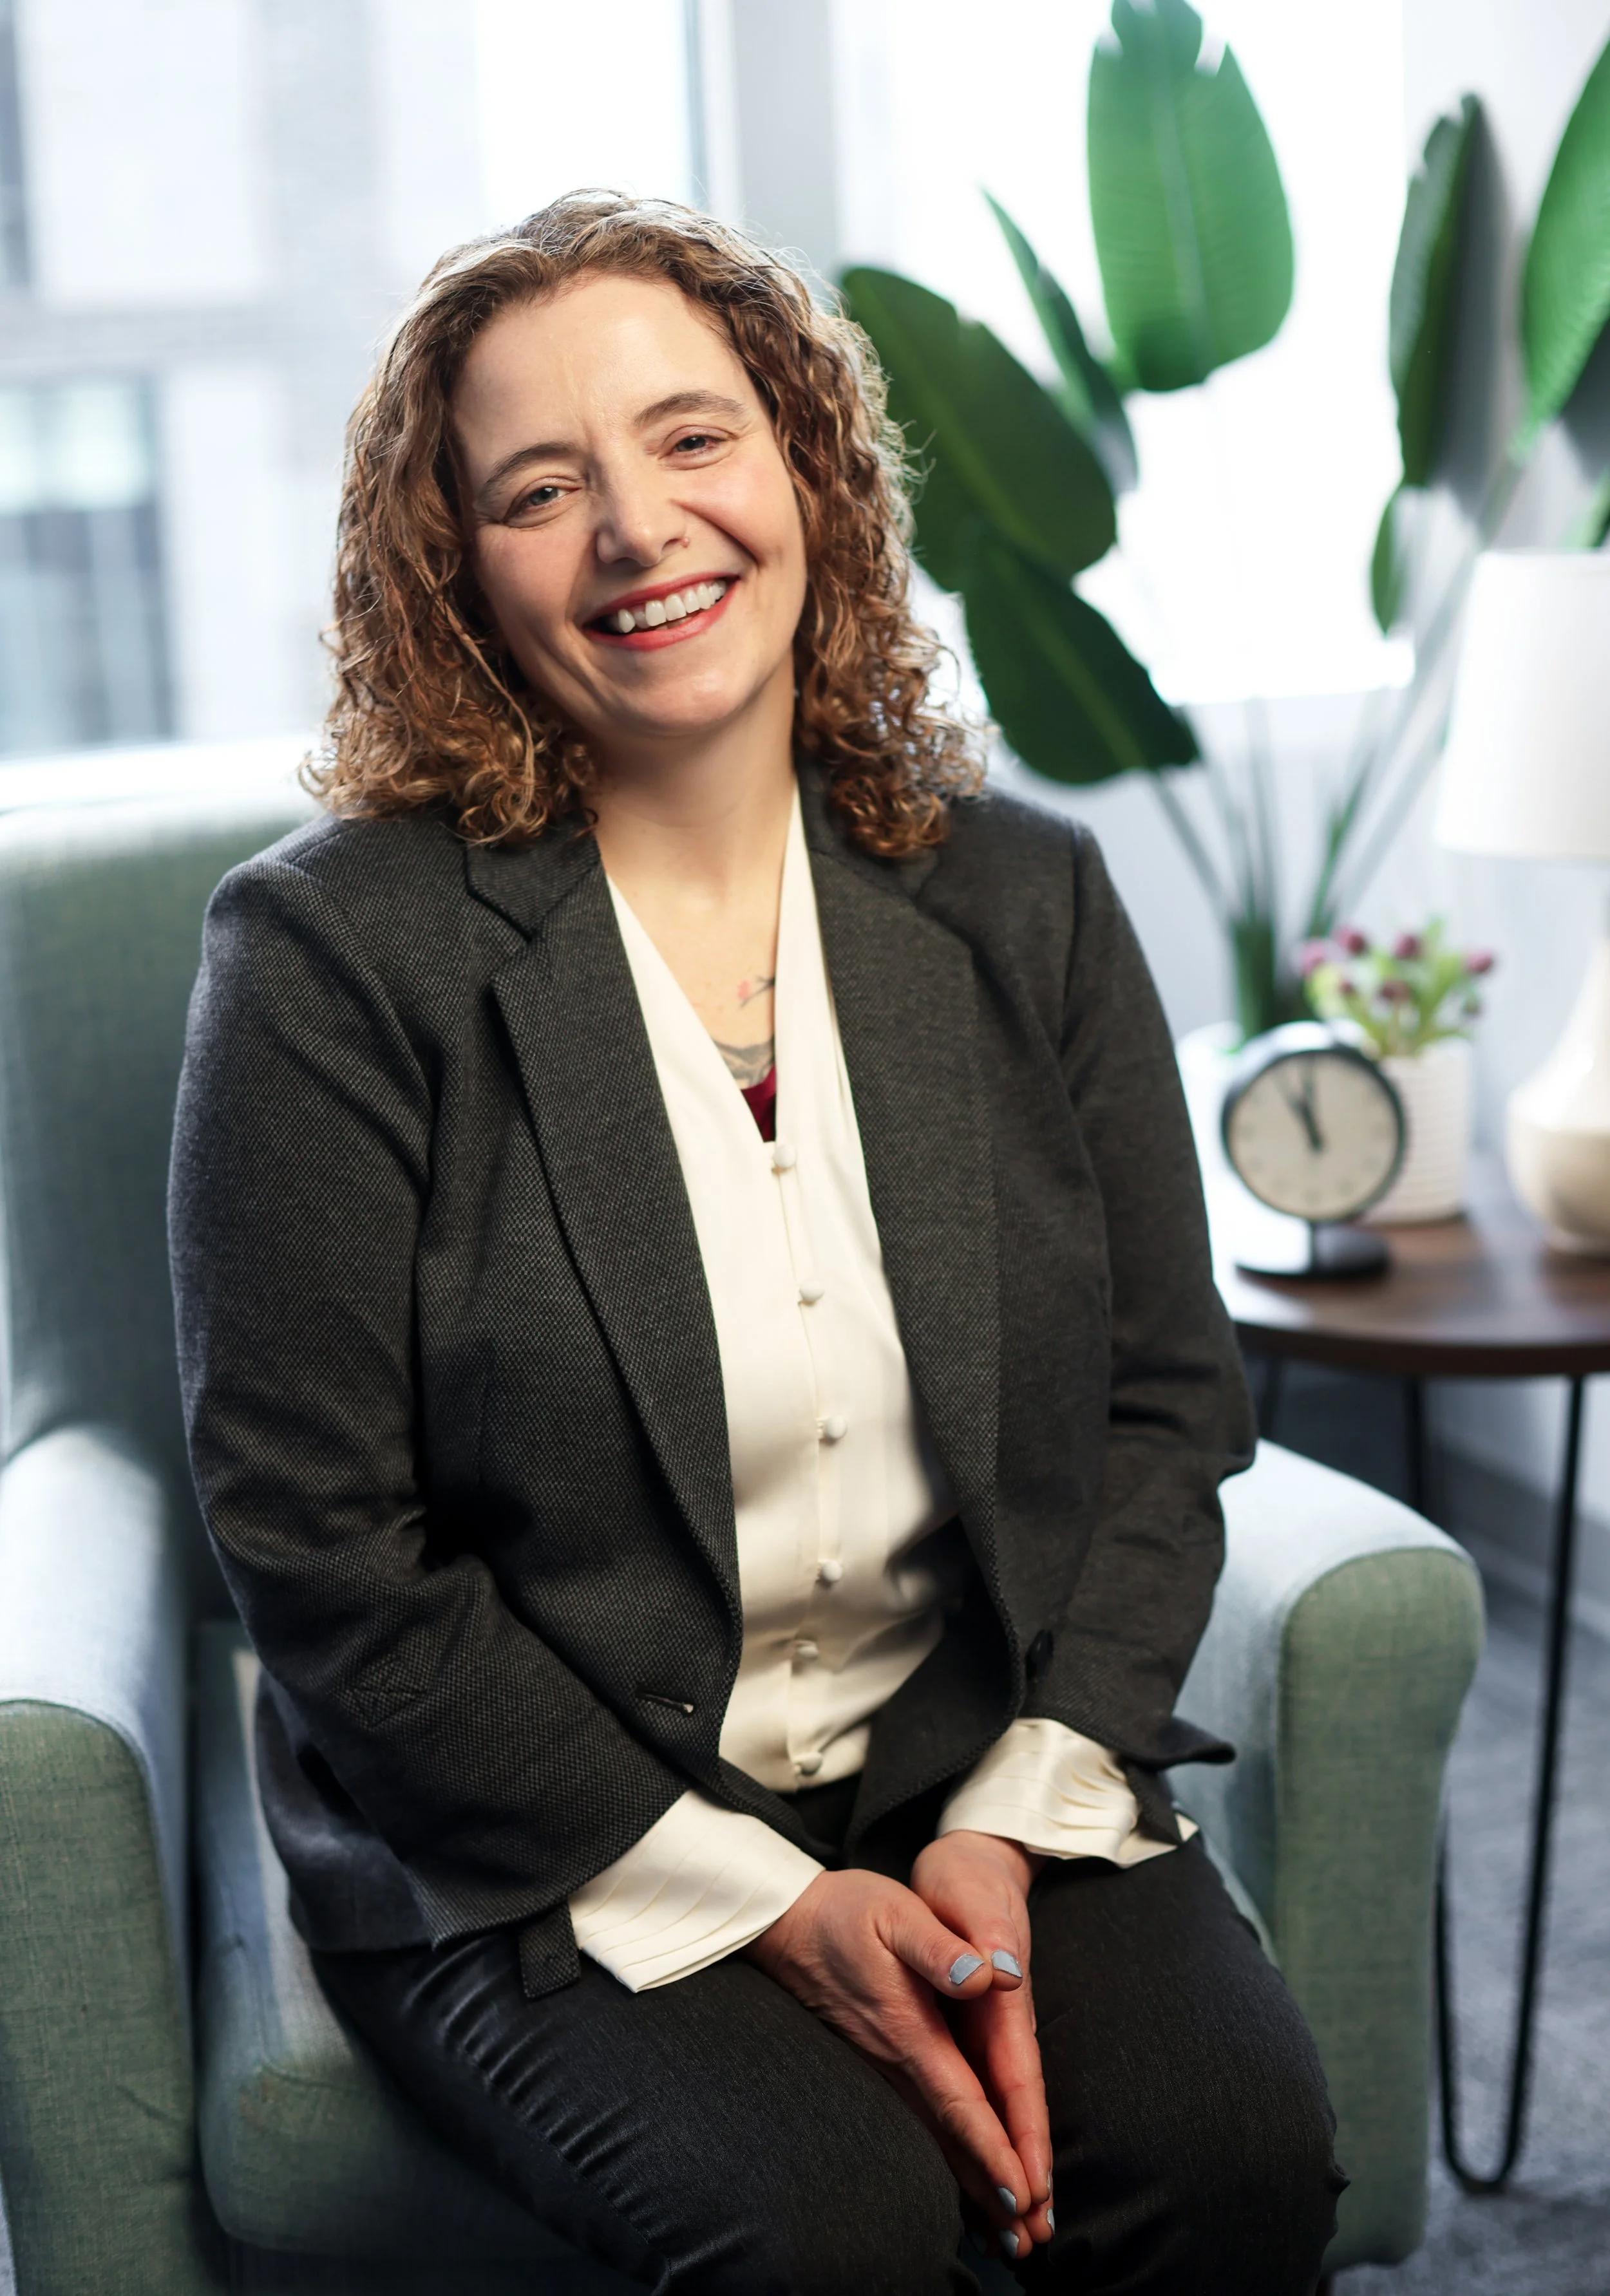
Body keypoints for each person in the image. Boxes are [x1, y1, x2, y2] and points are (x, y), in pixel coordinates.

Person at [169, 192, 1344, 2294]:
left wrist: (1007, 1815)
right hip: (538, 1825)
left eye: (692, 437)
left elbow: (1165, 1408)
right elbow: (320, 1545)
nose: (638, 528)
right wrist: (773, 1904)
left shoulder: (1028, 901)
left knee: (1233, 2152)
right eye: (541, 488)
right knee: (832, 2236)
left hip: (960, 1756)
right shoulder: (327, 958)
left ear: (802, 465)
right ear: (454, 567)